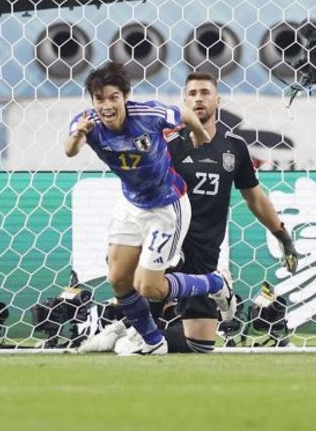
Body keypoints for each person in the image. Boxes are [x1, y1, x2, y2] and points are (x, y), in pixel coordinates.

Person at [64, 62, 233, 355]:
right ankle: (153, 342)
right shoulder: (86, 123)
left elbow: (184, 114)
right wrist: (79, 133)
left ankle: (215, 283)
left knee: (148, 286)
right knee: (117, 278)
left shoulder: (149, 115)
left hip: (167, 207)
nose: (106, 105)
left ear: (124, 98)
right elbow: (69, 150)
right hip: (131, 205)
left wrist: (202, 137)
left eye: (113, 97)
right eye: (99, 99)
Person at [164, 72, 297, 353]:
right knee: (141, 324)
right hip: (169, 247)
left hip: (205, 253)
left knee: (199, 345)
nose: (198, 98)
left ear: (218, 99)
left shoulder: (233, 147)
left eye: (205, 92)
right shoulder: (170, 146)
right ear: (184, 100)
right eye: (192, 93)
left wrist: (283, 237)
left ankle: (215, 286)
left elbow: (255, 198)